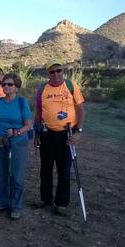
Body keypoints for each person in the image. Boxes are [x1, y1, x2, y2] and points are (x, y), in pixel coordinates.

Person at [34, 58, 85, 216]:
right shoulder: (43, 88)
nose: (56, 74)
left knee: (63, 170)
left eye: (59, 70)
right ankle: (46, 199)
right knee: (45, 169)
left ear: (63, 71)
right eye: (52, 71)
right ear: (47, 73)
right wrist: (36, 133)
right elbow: (39, 112)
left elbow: (81, 110)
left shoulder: (71, 86)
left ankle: (61, 203)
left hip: (66, 134)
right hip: (46, 133)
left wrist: (79, 132)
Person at [0, 73, 32, 220]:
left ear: (17, 87)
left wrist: (16, 131)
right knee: (0, 172)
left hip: (17, 142)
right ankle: (2, 202)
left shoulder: (22, 102)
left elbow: (28, 125)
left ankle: (15, 206)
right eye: (4, 84)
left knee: (16, 174)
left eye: (10, 84)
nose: (6, 87)